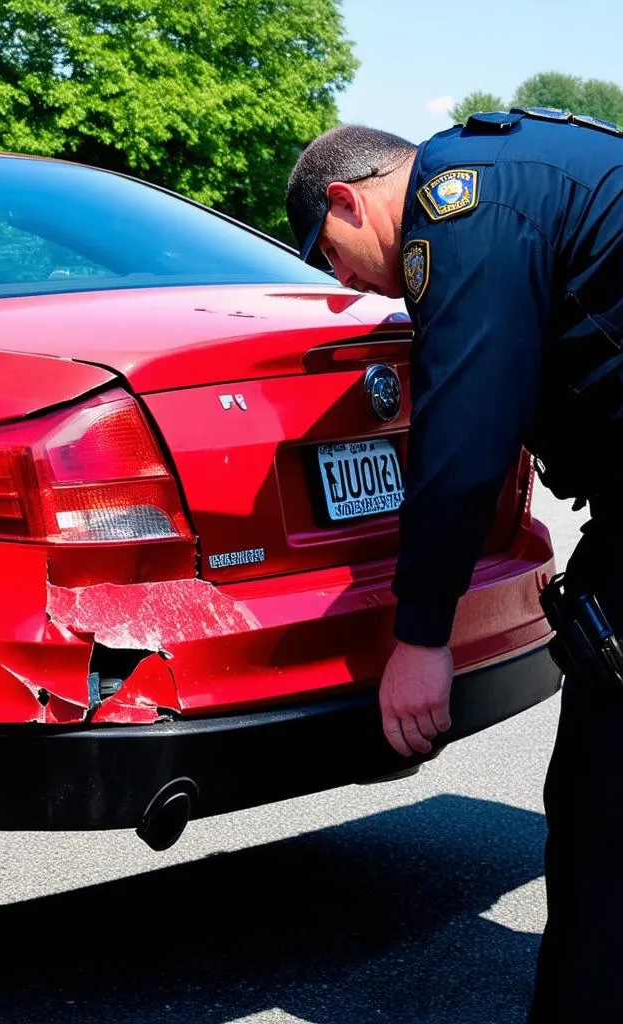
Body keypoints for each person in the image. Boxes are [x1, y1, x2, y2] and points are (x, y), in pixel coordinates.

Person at [284, 109, 623, 1023]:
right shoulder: (528, 169)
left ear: (350, 200)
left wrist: (422, 636)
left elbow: (464, 436)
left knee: (604, 811)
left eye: (330, 253)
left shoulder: (459, 206)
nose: (345, 281)